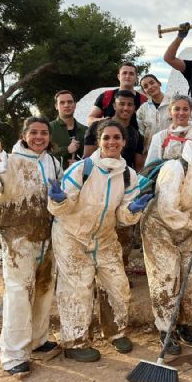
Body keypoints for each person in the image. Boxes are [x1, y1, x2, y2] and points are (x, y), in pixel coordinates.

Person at [48, 119, 149, 362]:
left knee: (118, 285)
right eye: (107, 138)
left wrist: (133, 209)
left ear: (124, 142)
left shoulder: (128, 176)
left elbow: (123, 217)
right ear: (99, 141)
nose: (112, 142)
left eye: (117, 138)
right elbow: (62, 209)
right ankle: (75, 341)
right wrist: (60, 199)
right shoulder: (82, 169)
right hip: (71, 235)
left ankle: (115, 332)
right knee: (78, 289)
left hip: (104, 238)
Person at [0, 117, 61, 377]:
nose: (39, 137)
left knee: (44, 289)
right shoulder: (7, 160)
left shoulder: (53, 162)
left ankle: (37, 340)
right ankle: (13, 355)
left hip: (47, 236)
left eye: (44, 133)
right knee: (18, 292)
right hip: (17, 238)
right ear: (24, 135)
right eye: (34, 132)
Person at [141, 128, 192, 355]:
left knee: (190, 278)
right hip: (160, 227)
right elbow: (167, 209)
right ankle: (166, 329)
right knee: (166, 278)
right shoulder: (176, 168)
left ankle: (186, 324)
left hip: (189, 230)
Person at [84, 90, 144, 171]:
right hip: (97, 179)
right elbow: (87, 159)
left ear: (134, 108)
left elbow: (139, 168)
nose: (126, 108)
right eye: (122, 104)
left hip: (124, 180)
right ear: (114, 106)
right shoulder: (96, 127)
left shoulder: (137, 135)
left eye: (129, 105)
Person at [86, 62, 148, 129]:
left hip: (135, 139)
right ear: (119, 76)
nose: (127, 76)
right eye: (124, 73)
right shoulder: (106, 96)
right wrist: (106, 121)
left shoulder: (144, 100)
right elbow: (90, 120)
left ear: (136, 78)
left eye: (131, 74)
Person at [145, 94, 192, 166]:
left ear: (190, 112)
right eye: (177, 109)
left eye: (185, 109)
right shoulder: (159, 137)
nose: (181, 113)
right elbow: (150, 167)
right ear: (170, 111)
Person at [50, 90, 88, 168]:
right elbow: (42, 156)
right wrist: (66, 150)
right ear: (56, 106)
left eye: (70, 102)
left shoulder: (85, 130)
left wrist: (79, 164)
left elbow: (91, 158)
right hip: (54, 178)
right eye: (62, 102)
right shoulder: (48, 128)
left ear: (75, 105)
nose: (66, 105)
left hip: (79, 177)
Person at [136, 74, 172, 154]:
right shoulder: (142, 110)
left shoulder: (174, 104)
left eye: (152, 83)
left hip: (171, 151)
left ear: (159, 83)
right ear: (144, 91)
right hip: (151, 152)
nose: (150, 87)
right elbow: (141, 131)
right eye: (145, 86)